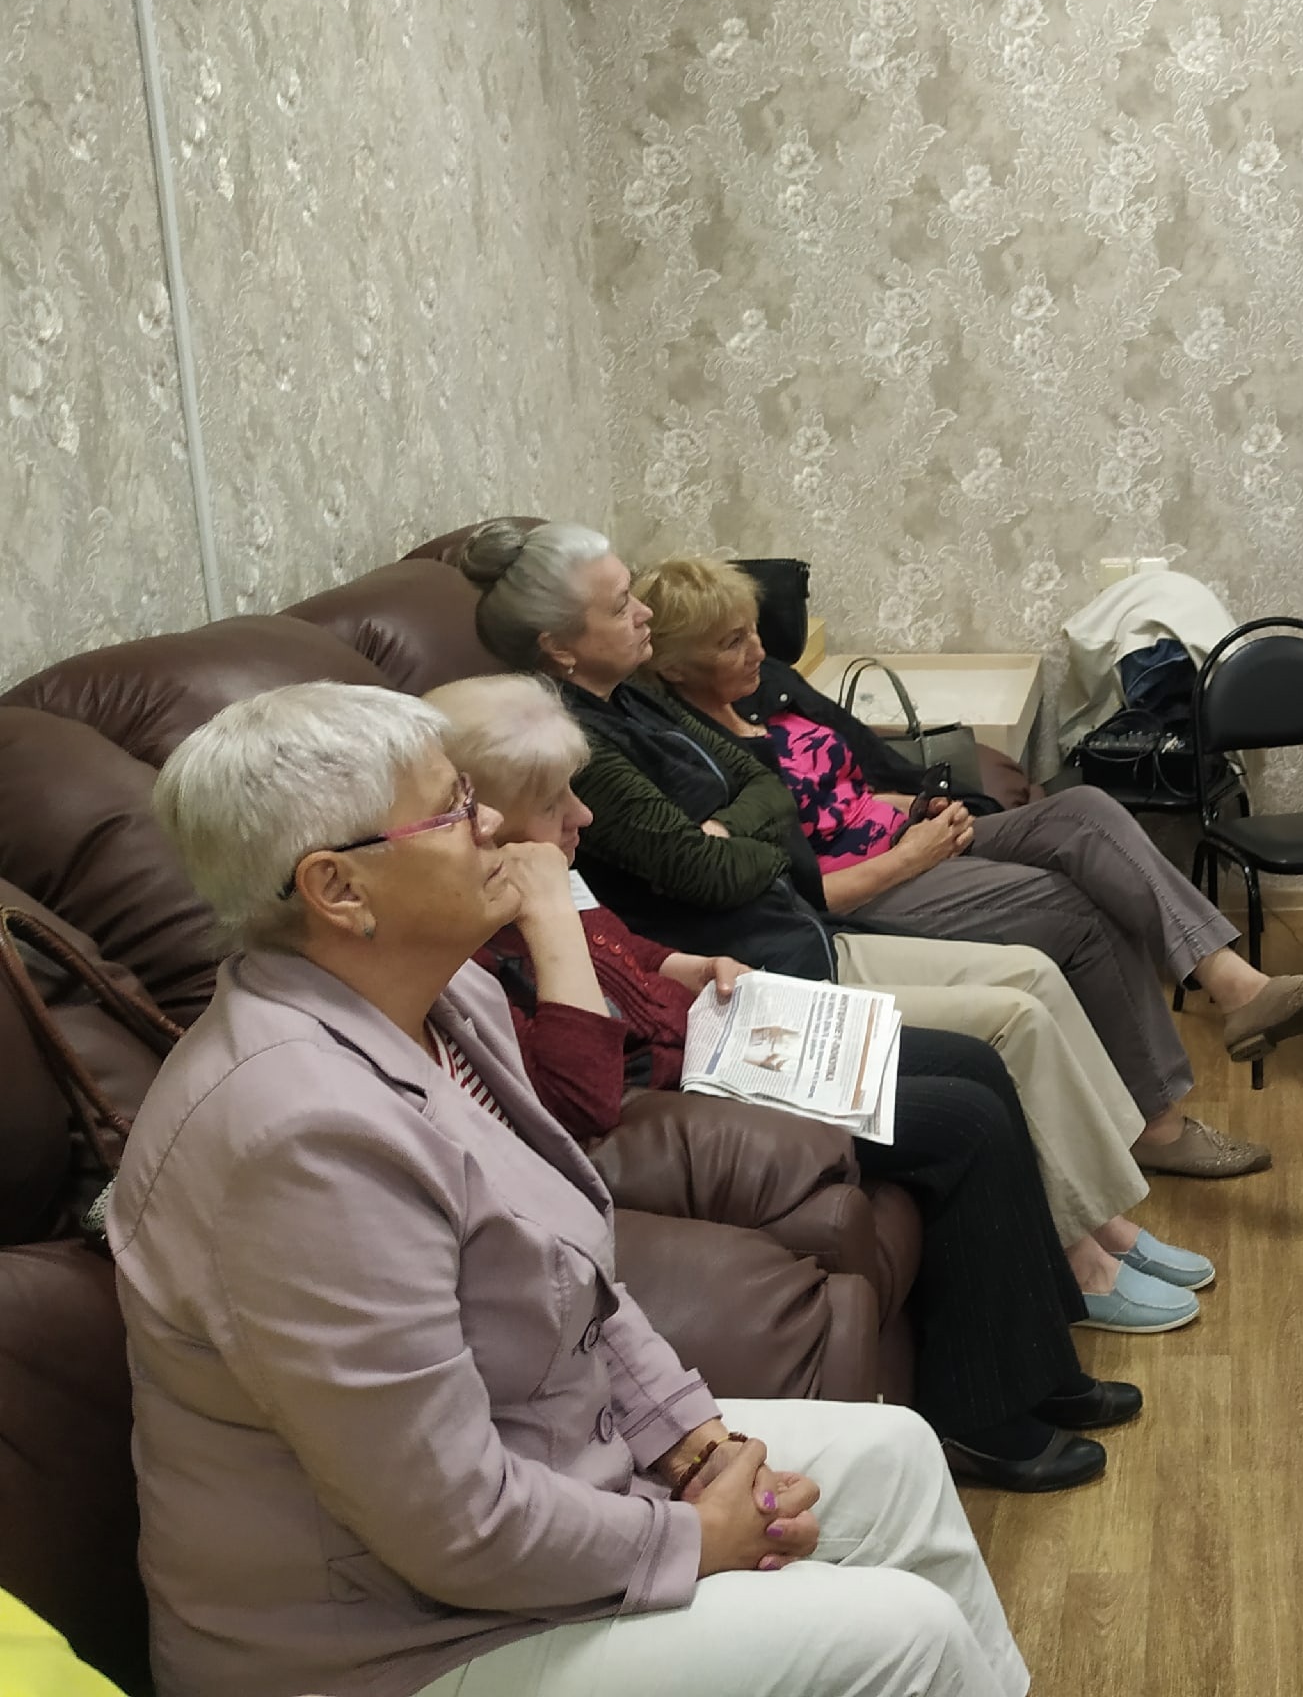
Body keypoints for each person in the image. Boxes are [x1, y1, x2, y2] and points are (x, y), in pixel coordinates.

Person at [111, 682, 1038, 1697]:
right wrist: (694, 1537)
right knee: (903, 1637)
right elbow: (451, 1523)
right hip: (385, 1641)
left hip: (541, 1480)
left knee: (896, 1455)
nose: (494, 827)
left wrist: (693, 1442)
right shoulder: (298, 1141)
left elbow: (577, 1280)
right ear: (338, 888)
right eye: (454, 811)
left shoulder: (449, 997)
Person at [456, 521, 1303, 1180]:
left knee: (1085, 814)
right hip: (830, 894)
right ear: (559, 646)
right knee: (1074, 903)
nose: (643, 613)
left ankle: (1236, 985)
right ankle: (1156, 1128)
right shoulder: (595, 738)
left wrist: (785, 813)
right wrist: (852, 841)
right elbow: (715, 867)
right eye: (622, 605)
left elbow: (764, 788)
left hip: (869, 845)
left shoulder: (642, 697)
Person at [428, 672, 1215, 1333]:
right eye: (556, 803)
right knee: (996, 1047)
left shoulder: (632, 721)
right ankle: (1081, 1257)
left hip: (758, 976)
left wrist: (683, 959)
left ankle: (1102, 1224)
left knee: (1029, 983)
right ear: (483, 821)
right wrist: (578, 912)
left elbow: (752, 801)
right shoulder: (491, 922)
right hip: (738, 1019)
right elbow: (699, 883)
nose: (584, 817)